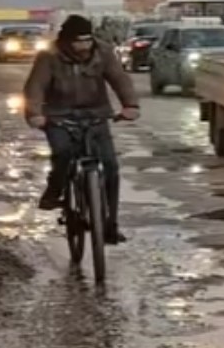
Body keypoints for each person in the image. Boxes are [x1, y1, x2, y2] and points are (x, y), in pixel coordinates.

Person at [22, 14, 140, 244]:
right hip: (58, 116)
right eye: (78, 41)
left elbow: (120, 79)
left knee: (111, 167)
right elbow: (35, 87)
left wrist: (130, 105)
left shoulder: (103, 52)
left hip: (96, 115)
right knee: (63, 153)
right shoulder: (49, 57)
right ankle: (54, 192)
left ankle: (110, 225)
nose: (84, 45)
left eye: (87, 40)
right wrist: (35, 114)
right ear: (66, 41)